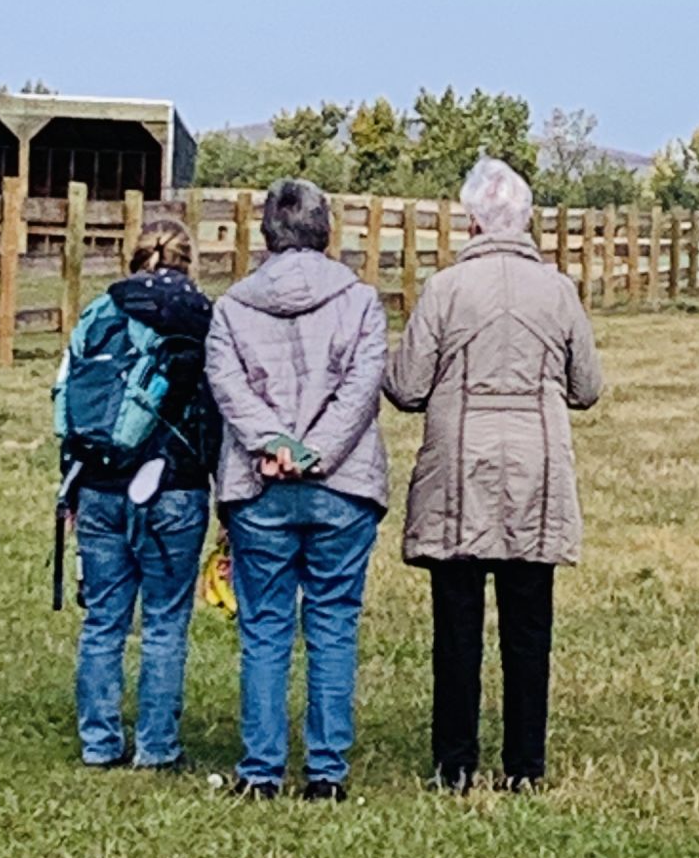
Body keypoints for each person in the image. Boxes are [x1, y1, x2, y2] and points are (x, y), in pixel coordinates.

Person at [384, 157, 603, 793]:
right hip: (535, 464)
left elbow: (406, 385)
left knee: (456, 620)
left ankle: (454, 762)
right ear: (527, 220)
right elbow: (587, 387)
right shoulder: (558, 290)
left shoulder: (445, 290)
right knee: (529, 619)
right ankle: (525, 766)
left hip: (460, 462)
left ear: (472, 219)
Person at [205, 177, 388, 802]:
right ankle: (326, 772)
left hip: (260, 490)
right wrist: (315, 454)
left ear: (267, 233)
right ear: (325, 229)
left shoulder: (231, 308)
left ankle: (261, 770)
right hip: (344, 487)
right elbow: (361, 391)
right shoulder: (361, 302)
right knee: (334, 622)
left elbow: (229, 390)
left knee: (265, 627)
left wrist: (275, 447)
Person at [64, 219, 220, 770]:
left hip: (100, 482)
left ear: (130, 257)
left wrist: (70, 490)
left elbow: (68, 400)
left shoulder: (98, 313)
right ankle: (156, 747)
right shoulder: (205, 317)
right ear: (189, 260)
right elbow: (217, 409)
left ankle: (99, 743)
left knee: (103, 620)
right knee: (165, 622)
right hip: (175, 487)